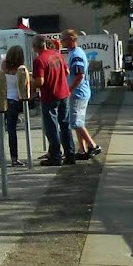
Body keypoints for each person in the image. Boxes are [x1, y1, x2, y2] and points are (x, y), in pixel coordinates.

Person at [32, 35, 76, 166]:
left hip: (50, 96)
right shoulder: (57, 55)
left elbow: (40, 81)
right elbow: (67, 72)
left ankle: (56, 156)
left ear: (34, 47)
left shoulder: (39, 60)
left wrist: (30, 84)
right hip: (63, 93)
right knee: (65, 124)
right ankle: (70, 154)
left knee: (51, 127)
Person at [62, 29, 101, 160]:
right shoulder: (74, 53)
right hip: (79, 91)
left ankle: (93, 145)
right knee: (78, 122)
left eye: (63, 39)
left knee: (76, 123)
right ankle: (82, 150)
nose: (62, 42)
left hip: (79, 92)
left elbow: (79, 75)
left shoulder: (76, 55)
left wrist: (69, 89)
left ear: (71, 40)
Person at [0, 44, 26, 166]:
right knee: (12, 130)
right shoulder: (20, 69)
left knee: (0, 130)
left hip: (0, 99)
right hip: (13, 100)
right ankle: (14, 158)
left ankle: (0, 158)